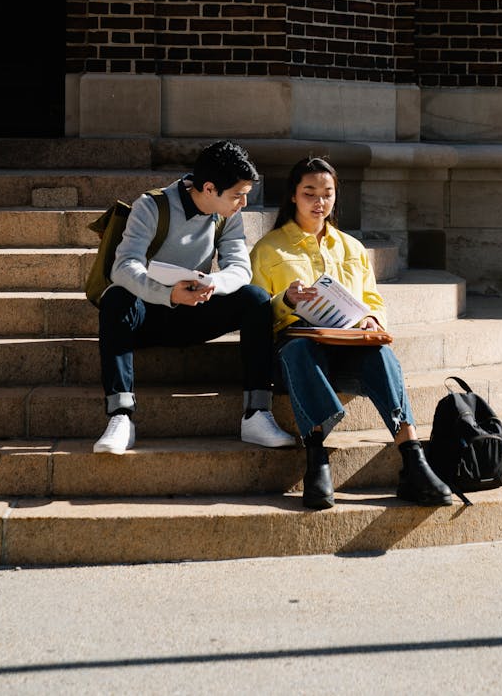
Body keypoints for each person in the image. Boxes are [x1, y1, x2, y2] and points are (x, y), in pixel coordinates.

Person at [249, 156, 453, 510]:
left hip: (347, 344)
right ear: (293, 197)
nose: (319, 202)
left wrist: (372, 319)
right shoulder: (269, 249)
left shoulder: (351, 247)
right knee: (300, 351)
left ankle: (413, 457)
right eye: (309, 193)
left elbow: (372, 298)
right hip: (296, 352)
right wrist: (286, 300)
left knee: (381, 354)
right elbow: (256, 313)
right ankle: (317, 458)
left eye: (327, 194)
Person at [93, 139, 295, 454]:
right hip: (149, 316)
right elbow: (124, 266)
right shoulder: (151, 206)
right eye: (238, 195)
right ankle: (121, 416)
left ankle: (257, 414)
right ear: (210, 188)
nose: (243, 203)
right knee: (115, 299)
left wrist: (212, 283)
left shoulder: (228, 215)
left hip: (196, 310)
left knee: (255, 298)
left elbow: (240, 268)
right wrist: (166, 293)